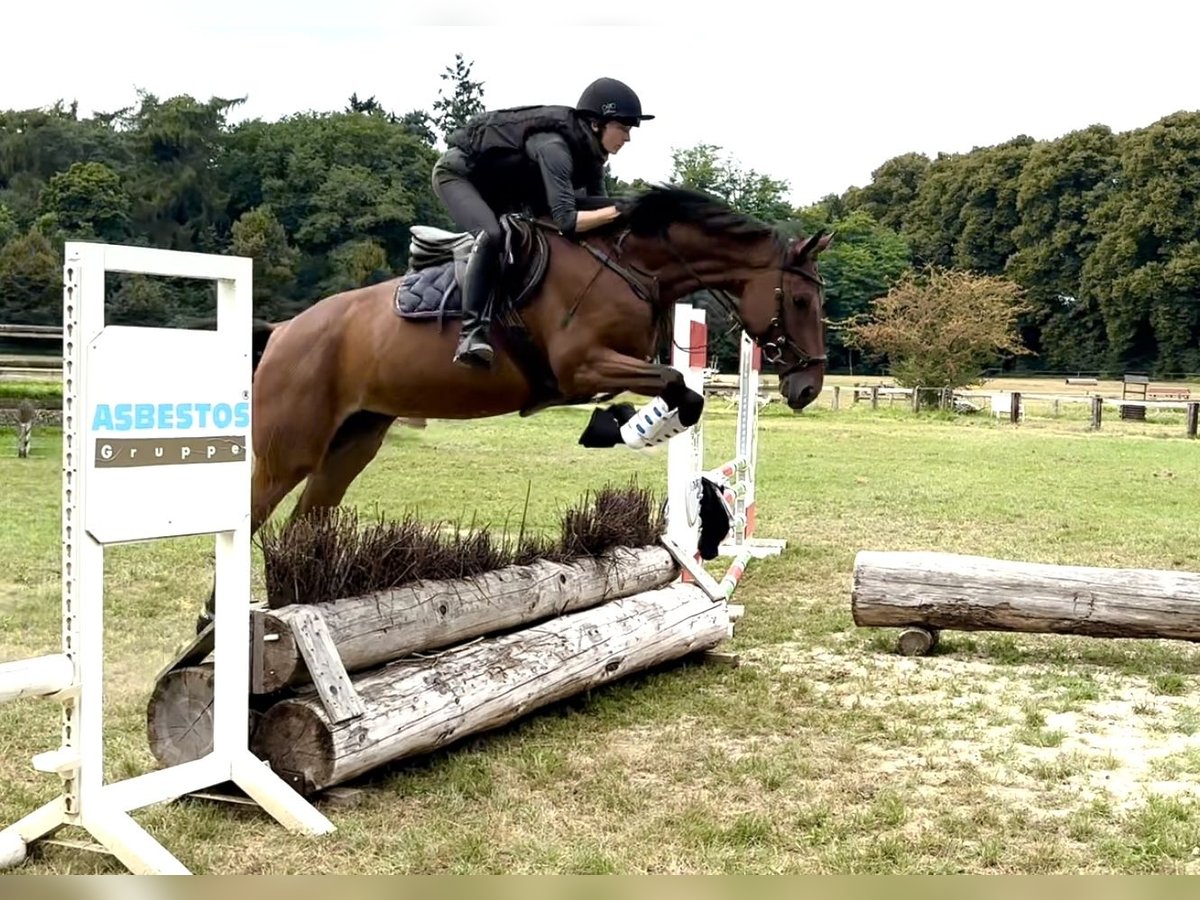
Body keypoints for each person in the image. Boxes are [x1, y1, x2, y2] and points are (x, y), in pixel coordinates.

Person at [431, 77, 654, 369]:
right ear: (597, 123)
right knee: (492, 234)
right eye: (623, 128)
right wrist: (620, 211)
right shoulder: (554, 147)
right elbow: (568, 221)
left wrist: (635, 212)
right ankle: (471, 333)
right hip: (459, 176)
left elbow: (601, 211)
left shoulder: (592, 158)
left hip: (502, 189)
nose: (627, 138)